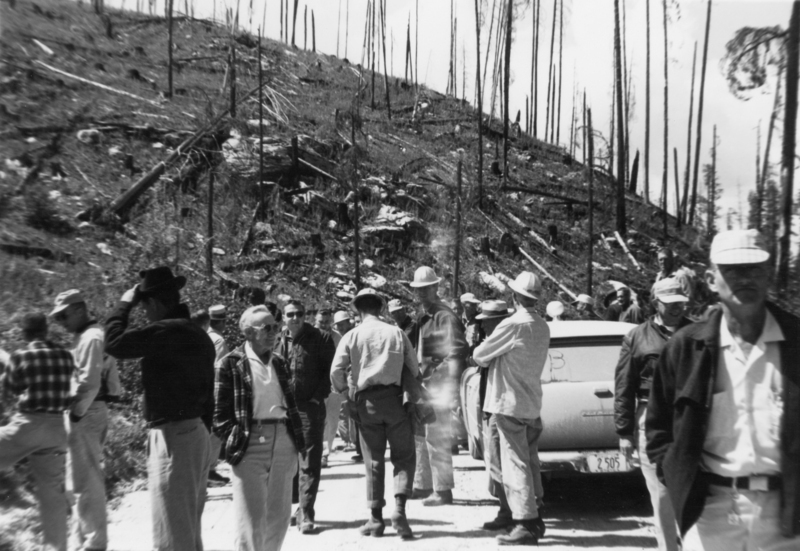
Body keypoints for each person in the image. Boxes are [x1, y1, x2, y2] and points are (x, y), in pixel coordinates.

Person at [647, 229, 800, 551]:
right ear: (712, 279)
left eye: (754, 268)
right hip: (712, 512)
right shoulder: (686, 348)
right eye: (732, 270)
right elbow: (659, 429)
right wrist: (677, 477)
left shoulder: (796, 343)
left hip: (788, 515)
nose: (745, 279)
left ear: (769, 274)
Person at [104, 267, 215, 551]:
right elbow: (208, 396)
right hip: (196, 433)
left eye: (144, 307)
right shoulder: (197, 334)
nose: (145, 314)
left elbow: (114, 342)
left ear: (153, 302)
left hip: (173, 437)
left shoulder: (166, 330)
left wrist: (124, 303)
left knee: (172, 536)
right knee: (187, 531)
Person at [214, 306, 305, 551]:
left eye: (275, 327)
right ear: (248, 332)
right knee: (251, 521)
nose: (273, 332)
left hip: (283, 441)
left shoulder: (280, 362)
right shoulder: (230, 363)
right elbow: (219, 414)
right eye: (266, 328)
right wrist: (236, 438)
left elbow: (291, 403)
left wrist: (296, 441)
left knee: (279, 518)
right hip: (249, 443)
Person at [331, 289, 418, 539]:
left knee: (373, 460)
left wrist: (345, 395)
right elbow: (414, 368)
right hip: (395, 401)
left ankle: (376, 519)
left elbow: (336, 372)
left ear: (358, 310)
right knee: (403, 456)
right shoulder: (397, 332)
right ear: (381, 308)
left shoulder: (352, 335)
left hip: (366, 403)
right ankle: (400, 509)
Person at [614, 278, 692, 551]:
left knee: (693, 488)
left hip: (690, 418)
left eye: (680, 303)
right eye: (670, 303)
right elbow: (624, 386)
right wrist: (624, 432)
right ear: (655, 303)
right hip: (650, 416)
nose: (676, 308)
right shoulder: (636, 337)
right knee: (661, 493)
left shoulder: (698, 333)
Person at [473, 272, 550, 545]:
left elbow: (480, 355)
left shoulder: (512, 324)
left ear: (515, 296)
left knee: (515, 463)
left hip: (509, 404)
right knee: (530, 463)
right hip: (531, 403)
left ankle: (526, 523)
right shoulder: (542, 325)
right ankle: (536, 517)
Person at [51, 290, 120, 551]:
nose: (61, 321)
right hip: (88, 411)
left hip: (86, 412)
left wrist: (76, 412)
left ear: (80, 310)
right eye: (57, 318)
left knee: (86, 481)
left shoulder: (91, 337)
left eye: (63, 315)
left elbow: (89, 382)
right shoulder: (87, 336)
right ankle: (83, 540)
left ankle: (94, 543)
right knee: (79, 480)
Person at [0, 313, 75, 551]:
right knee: (52, 495)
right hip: (57, 428)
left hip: (29, 424)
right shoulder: (65, 356)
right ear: (45, 330)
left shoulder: (21, 356)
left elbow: (10, 389)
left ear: (24, 333)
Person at [408, 266, 468, 506]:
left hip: (437, 384)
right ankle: (424, 485)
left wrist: (436, 380)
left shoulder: (444, 316)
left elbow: (456, 352)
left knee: (437, 436)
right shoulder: (426, 314)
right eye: (419, 289)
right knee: (423, 434)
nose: (422, 293)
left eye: (427, 288)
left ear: (436, 288)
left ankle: (442, 490)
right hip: (426, 383)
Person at [277, 300, 336, 534]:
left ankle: (307, 512)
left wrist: (315, 398)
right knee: (287, 459)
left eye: (299, 314)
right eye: (290, 314)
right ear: (283, 317)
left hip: (308, 407)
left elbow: (330, 371)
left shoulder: (320, 338)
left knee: (309, 459)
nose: (295, 318)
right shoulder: (277, 338)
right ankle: (295, 507)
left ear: (305, 315)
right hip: (283, 409)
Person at [472, 300, 516, 531]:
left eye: (486, 323)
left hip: (498, 407)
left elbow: (478, 356)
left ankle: (507, 511)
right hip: (500, 406)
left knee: (498, 462)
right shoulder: (509, 339)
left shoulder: (497, 341)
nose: (484, 328)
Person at [322, 311, 353, 468]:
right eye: (321, 322)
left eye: (327, 322)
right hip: (316, 386)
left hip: (334, 386)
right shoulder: (311, 337)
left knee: (332, 419)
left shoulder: (339, 339)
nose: (324, 325)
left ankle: (325, 453)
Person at [331, 310, 361, 461]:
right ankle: (357, 446)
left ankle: (360, 448)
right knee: (351, 414)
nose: (341, 327)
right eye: (338, 325)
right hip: (348, 380)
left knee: (356, 415)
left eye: (343, 324)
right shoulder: (342, 337)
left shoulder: (353, 335)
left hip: (355, 381)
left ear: (349, 322)